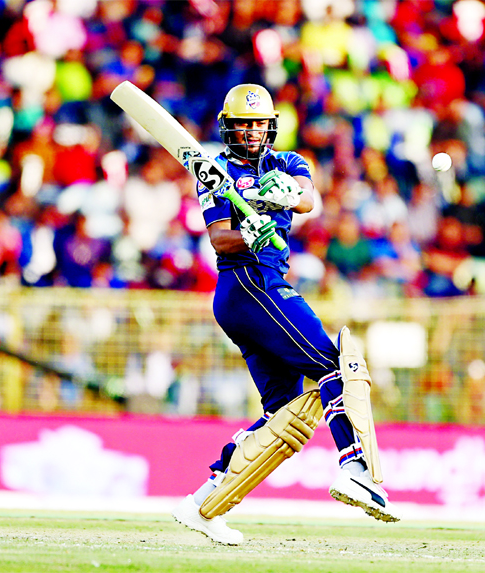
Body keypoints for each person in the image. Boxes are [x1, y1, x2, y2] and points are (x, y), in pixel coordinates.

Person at [171, 84, 400, 545]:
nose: (252, 132)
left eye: (259, 123)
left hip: (260, 290)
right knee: (335, 366)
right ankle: (354, 467)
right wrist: (249, 232)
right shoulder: (215, 172)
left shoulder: (288, 162)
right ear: (228, 127)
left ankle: (204, 501)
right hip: (248, 284)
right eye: (243, 124)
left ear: (270, 125)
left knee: (285, 415)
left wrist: (272, 198)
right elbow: (219, 239)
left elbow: (306, 199)